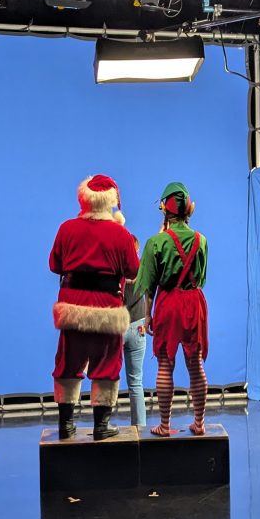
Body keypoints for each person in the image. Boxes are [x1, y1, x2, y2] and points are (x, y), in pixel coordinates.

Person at [50, 175, 141, 440]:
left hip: (73, 306)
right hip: (107, 307)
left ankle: (66, 424)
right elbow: (132, 270)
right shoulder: (120, 233)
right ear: (111, 200)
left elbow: (54, 265)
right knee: (107, 362)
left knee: (68, 362)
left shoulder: (66, 228)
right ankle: (102, 425)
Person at [136, 182, 209, 437]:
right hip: (194, 301)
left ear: (165, 210)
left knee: (165, 364)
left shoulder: (155, 242)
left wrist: (148, 314)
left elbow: (148, 284)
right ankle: (199, 423)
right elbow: (202, 278)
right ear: (188, 208)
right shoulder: (201, 241)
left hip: (168, 303)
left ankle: (165, 426)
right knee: (195, 362)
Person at [122, 236, 148, 427]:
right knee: (136, 383)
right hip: (139, 327)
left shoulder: (116, 271)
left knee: (108, 379)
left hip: (117, 327)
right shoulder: (143, 269)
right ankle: (140, 429)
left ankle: (102, 425)